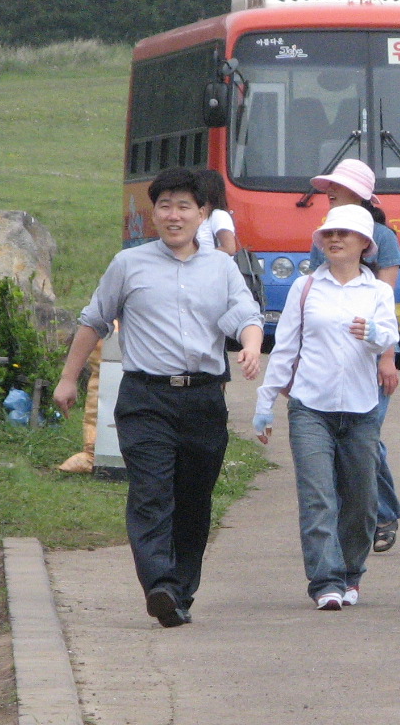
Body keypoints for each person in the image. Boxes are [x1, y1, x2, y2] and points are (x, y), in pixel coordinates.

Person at [53, 167, 264, 627]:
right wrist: (68, 379)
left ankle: (180, 592)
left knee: (193, 497)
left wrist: (249, 345)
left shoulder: (221, 267)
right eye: (164, 206)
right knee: (151, 492)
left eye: (184, 206)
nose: (173, 215)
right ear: (154, 213)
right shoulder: (128, 264)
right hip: (146, 397)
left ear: (202, 213)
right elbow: (94, 320)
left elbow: (245, 314)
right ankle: (160, 584)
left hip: (204, 399)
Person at [255, 204, 399, 609]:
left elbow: (389, 334)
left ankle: (351, 572)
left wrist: (374, 335)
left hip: (362, 409)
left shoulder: (378, 291)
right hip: (309, 407)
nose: (335, 240)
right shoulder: (304, 289)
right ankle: (326, 582)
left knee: (362, 499)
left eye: (345, 235)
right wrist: (265, 404)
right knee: (318, 496)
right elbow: (284, 349)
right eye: (328, 234)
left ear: (365, 245)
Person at [306, 159, 400, 553]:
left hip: (369, 355)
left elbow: (387, 304)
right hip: (329, 359)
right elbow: (312, 295)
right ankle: (350, 517)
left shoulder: (384, 236)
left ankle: (382, 514)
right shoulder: (324, 235)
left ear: (360, 194)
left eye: (338, 185)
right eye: (328, 184)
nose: (328, 190)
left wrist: (387, 357)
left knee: (367, 441)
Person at [195, 167, 240, 255]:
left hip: (214, 267)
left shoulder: (219, 215)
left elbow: (229, 248)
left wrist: (198, 257)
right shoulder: (197, 214)